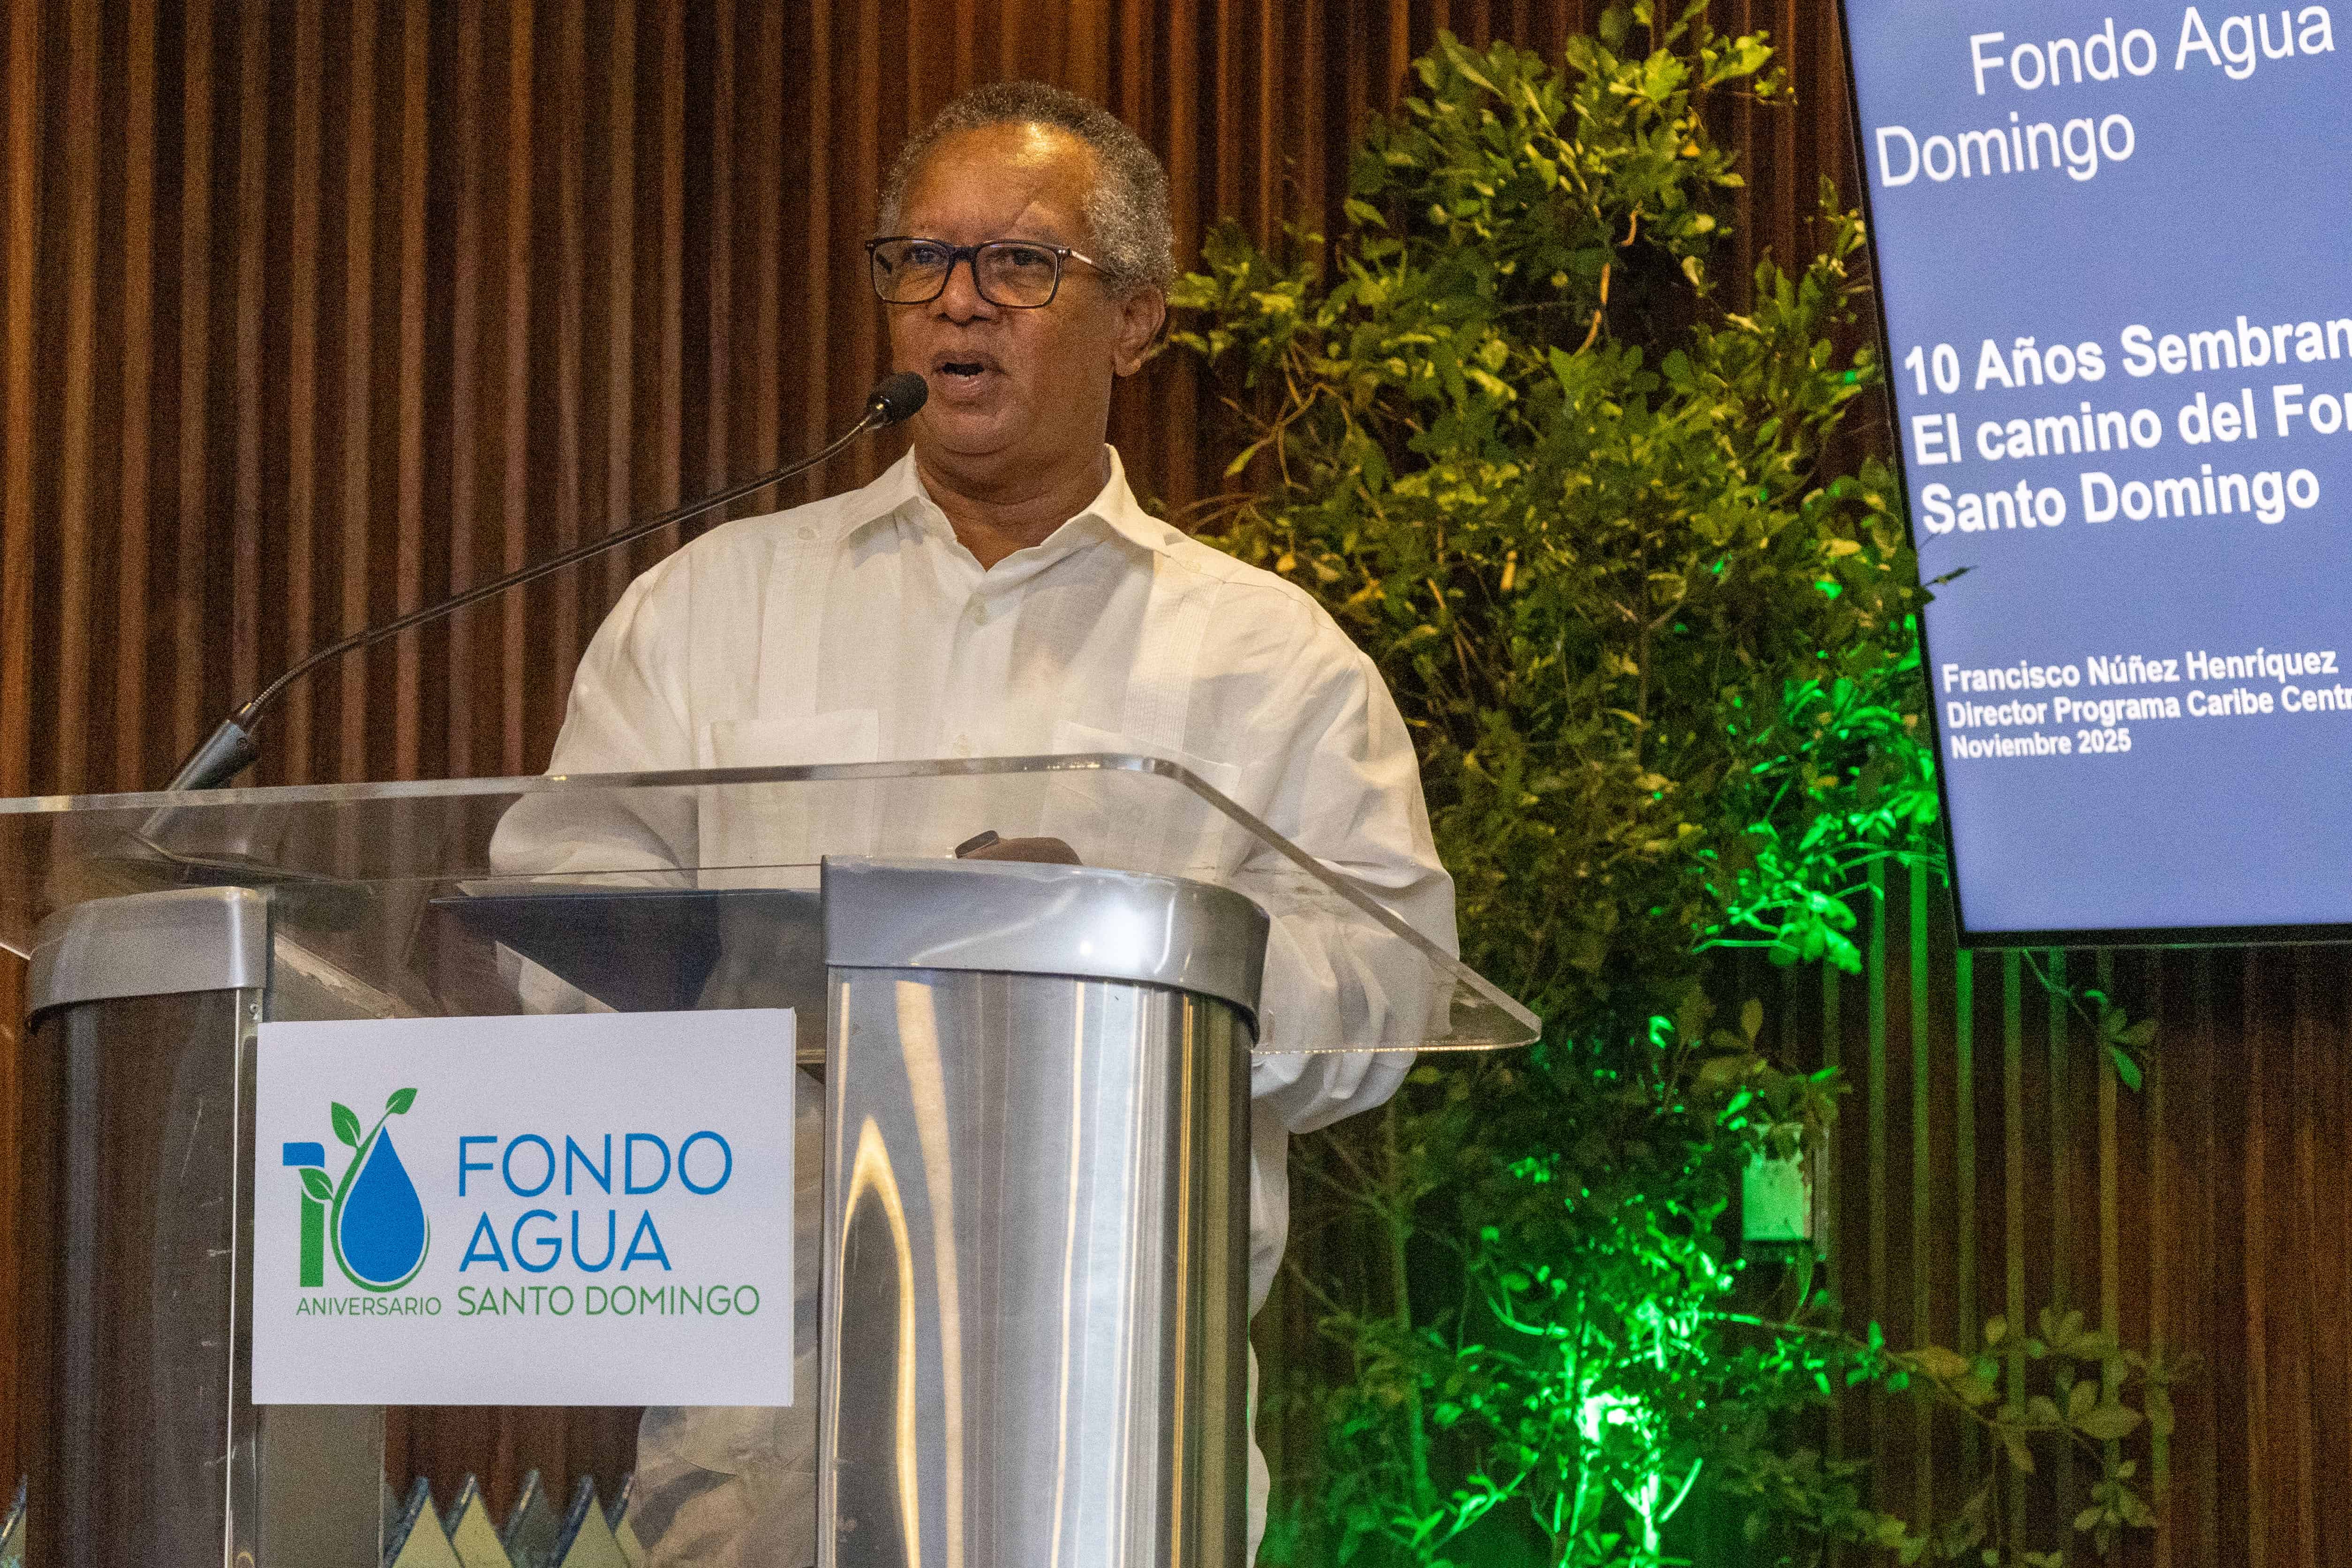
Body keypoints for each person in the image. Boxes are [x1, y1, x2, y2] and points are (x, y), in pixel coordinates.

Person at [490, 81, 1455, 1566]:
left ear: (1137, 316)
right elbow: (559, 921)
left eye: (1019, 265)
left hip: (1122, 1403)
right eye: (920, 262)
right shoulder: (713, 610)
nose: (960, 304)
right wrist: (751, 968)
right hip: (765, 1432)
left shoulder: (1270, 658)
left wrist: (1129, 947)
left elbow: (1394, 985)